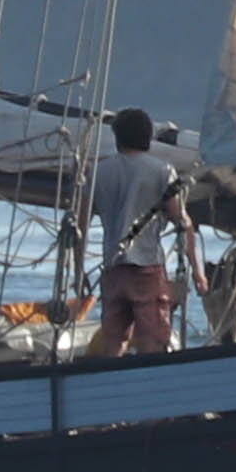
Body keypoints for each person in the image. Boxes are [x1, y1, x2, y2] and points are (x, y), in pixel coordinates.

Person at [86, 108, 186, 357]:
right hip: (147, 268)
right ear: (147, 137)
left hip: (113, 268)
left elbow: (79, 223)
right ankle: (150, 388)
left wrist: (78, 269)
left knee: (114, 341)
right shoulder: (162, 170)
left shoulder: (97, 172)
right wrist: (197, 273)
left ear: (117, 137)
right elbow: (180, 220)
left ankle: (113, 386)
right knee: (153, 341)